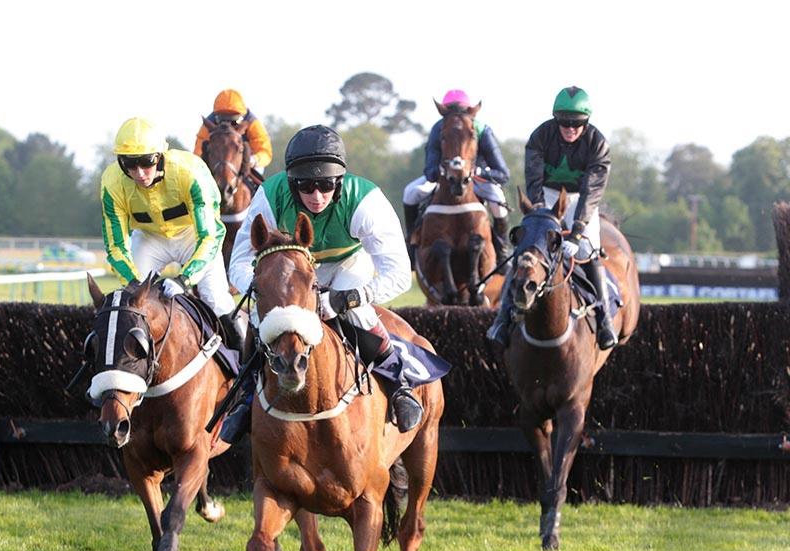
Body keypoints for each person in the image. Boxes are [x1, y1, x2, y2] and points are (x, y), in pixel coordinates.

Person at [223, 124, 422, 442]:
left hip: (346, 267)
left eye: (327, 185)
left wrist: (348, 298)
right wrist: (267, 294)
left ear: (340, 182)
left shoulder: (365, 201)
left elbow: (398, 272)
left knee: (358, 314)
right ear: (291, 183)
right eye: (306, 186)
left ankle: (399, 385)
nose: (317, 196)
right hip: (292, 273)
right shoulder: (270, 196)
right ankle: (245, 400)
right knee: (263, 319)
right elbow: (239, 261)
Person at [487, 86, 617, 351]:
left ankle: (604, 321)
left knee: (587, 250)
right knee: (528, 250)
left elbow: (593, 191)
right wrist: (539, 214)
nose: (570, 128)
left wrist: (577, 232)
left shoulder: (598, 143)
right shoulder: (541, 136)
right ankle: (502, 320)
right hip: (544, 196)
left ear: (586, 121)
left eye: (577, 123)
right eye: (564, 122)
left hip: (581, 199)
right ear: (556, 120)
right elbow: (533, 180)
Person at [100, 117, 245, 353]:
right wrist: (136, 283)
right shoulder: (112, 183)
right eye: (128, 163)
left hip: (194, 237)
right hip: (149, 238)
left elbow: (210, 236)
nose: (139, 173)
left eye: (146, 162)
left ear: (160, 156)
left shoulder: (190, 173)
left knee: (216, 299)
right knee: (134, 300)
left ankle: (246, 363)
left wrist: (185, 279)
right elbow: (116, 247)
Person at [401, 89, 512, 265]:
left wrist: (478, 172)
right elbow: (430, 168)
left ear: (470, 114)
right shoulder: (438, 128)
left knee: (498, 201)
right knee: (410, 192)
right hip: (445, 178)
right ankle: (412, 245)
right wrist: (443, 171)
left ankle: (503, 252)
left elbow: (503, 174)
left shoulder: (483, 131)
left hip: (476, 178)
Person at [194, 88, 273, 180]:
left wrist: (253, 160)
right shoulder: (208, 124)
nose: (228, 125)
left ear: (242, 117)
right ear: (216, 116)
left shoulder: (252, 123)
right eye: (222, 120)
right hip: (217, 164)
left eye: (233, 121)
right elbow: (197, 154)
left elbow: (265, 151)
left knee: (260, 180)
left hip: (247, 163)